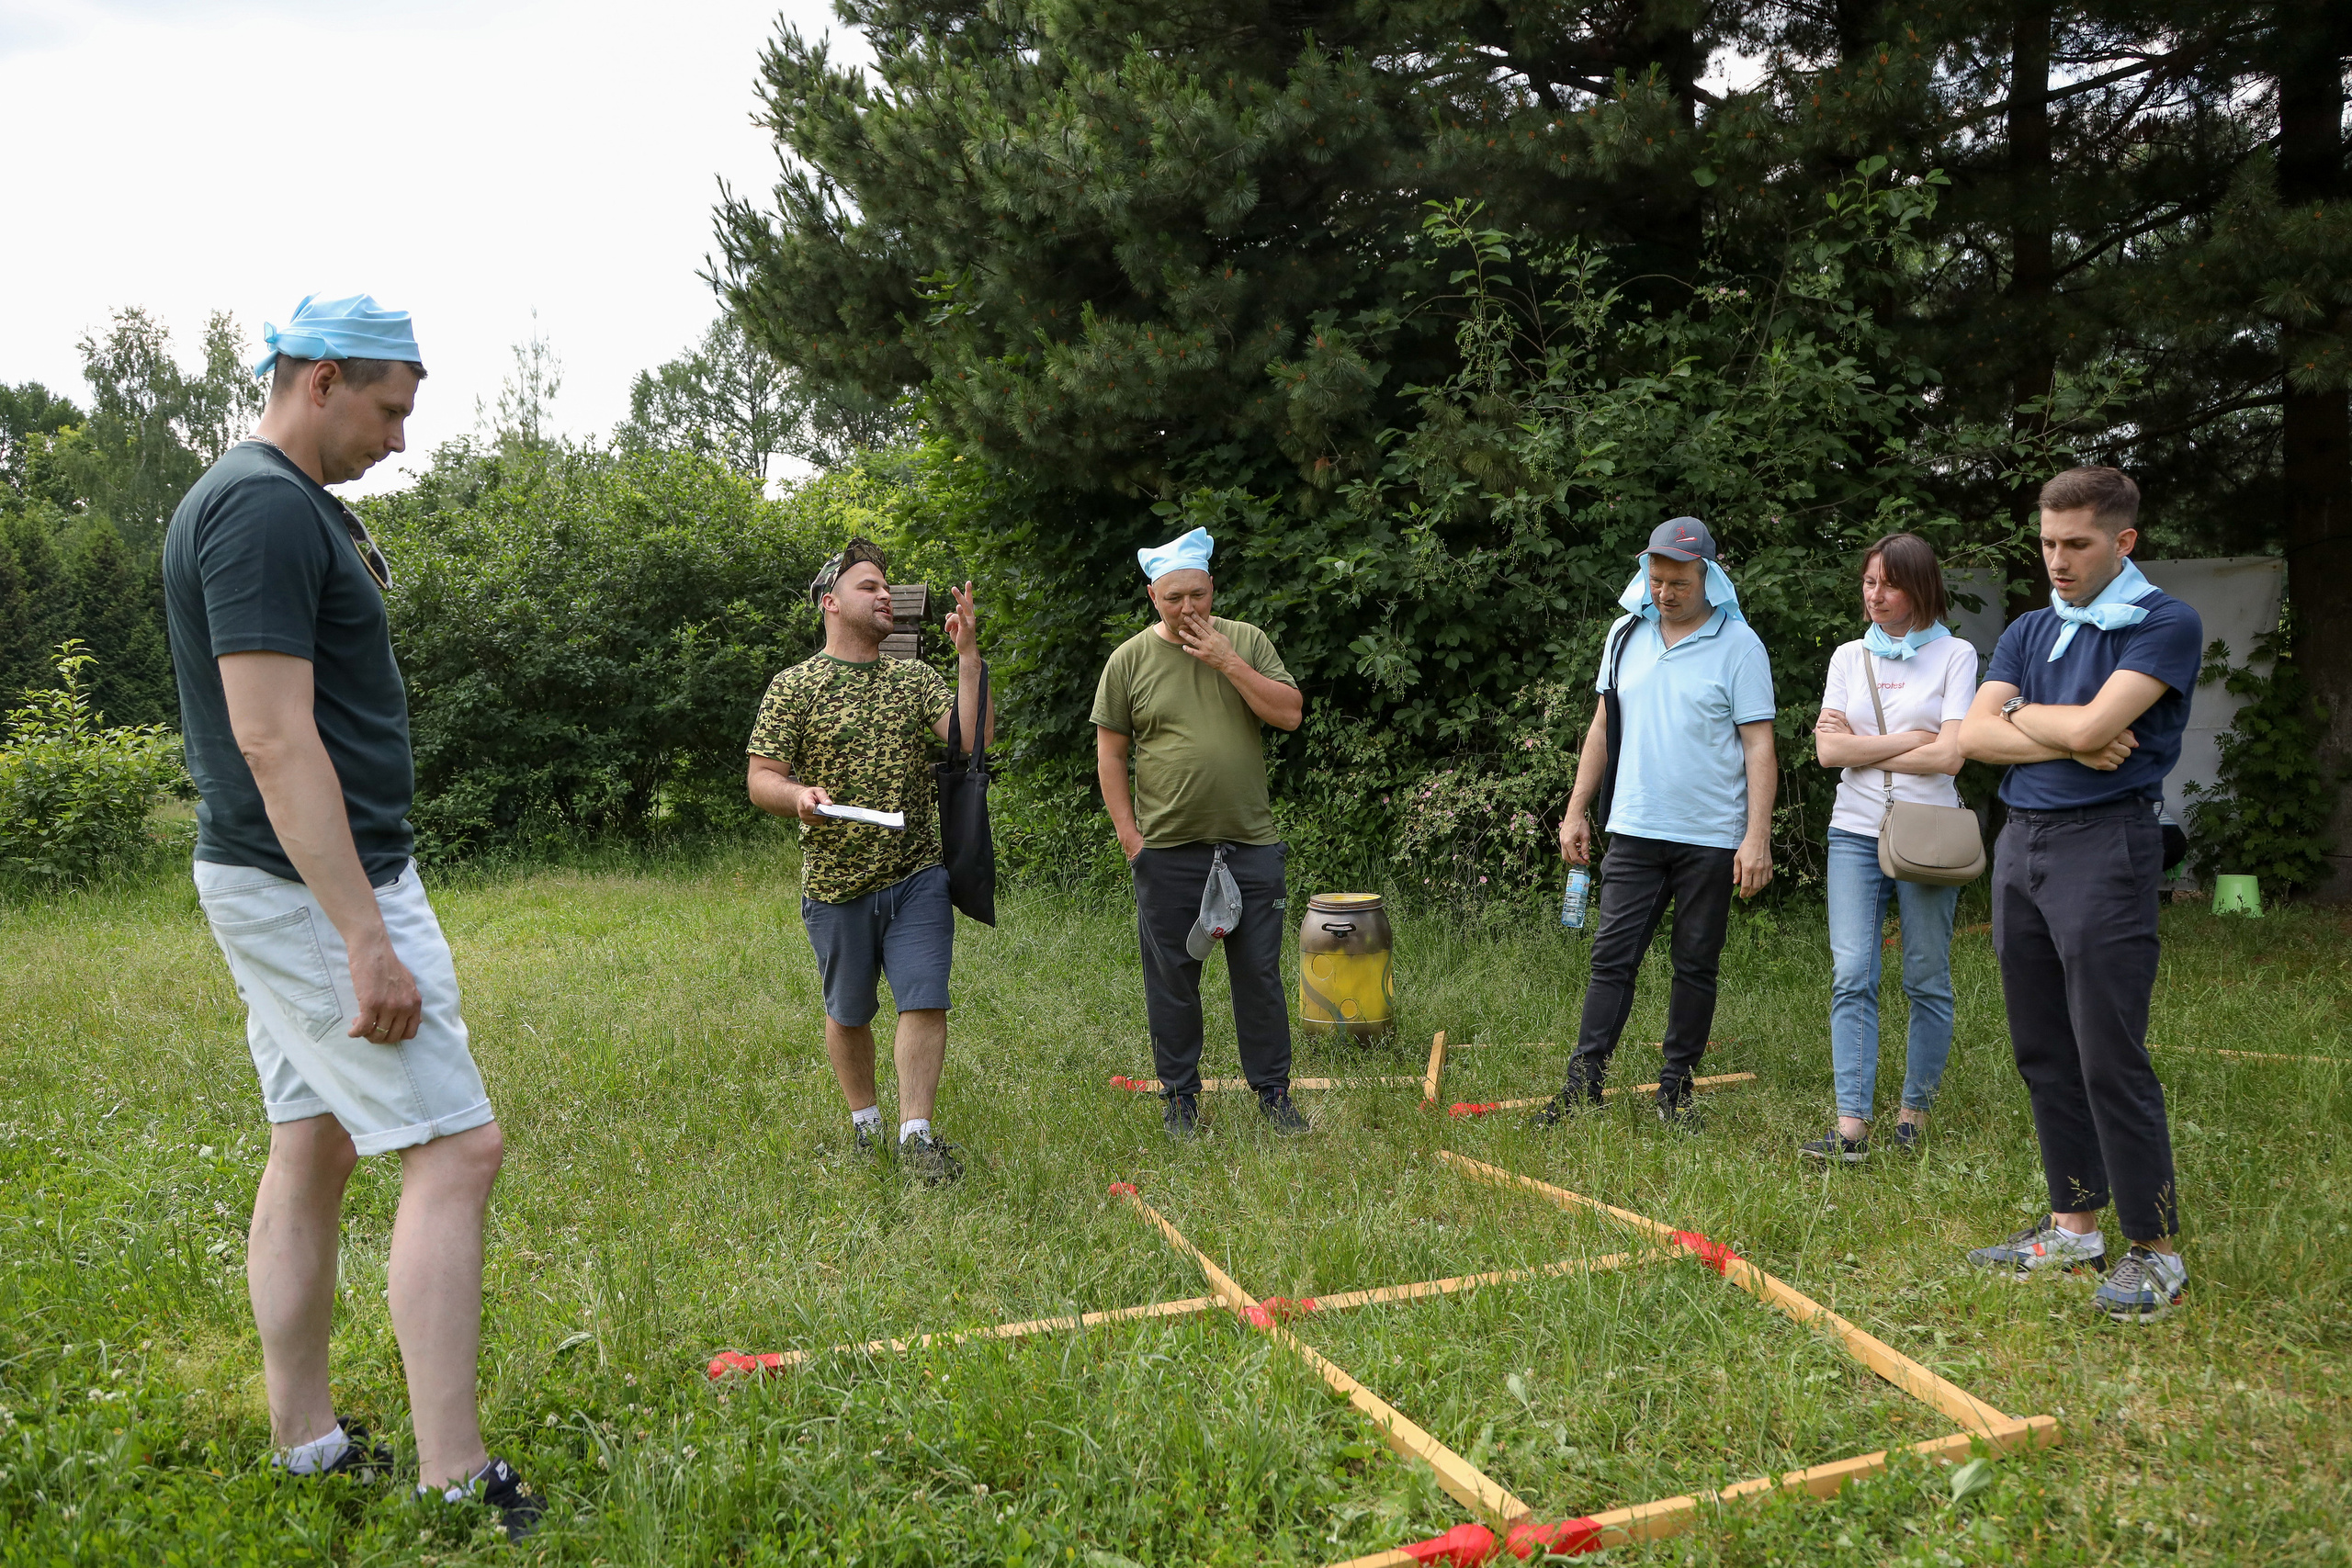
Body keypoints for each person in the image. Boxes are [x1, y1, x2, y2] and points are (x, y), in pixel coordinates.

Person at [162, 295, 539, 1538]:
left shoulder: (280, 503)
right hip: (320, 881)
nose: (400, 435)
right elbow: (270, 732)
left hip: (299, 876)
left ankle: (307, 1437)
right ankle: (452, 1471)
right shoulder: (262, 504)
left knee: (313, 1140)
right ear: (319, 379)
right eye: (388, 406)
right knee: (456, 1148)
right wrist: (363, 932)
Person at [1958, 467, 2200, 1323]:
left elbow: (2103, 729)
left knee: (2108, 1052)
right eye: (2047, 542)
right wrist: (2058, 725)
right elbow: (1972, 736)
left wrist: (2025, 719)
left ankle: (2156, 1251)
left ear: (2123, 541)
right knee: (2044, 1049)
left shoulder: (2164, 622)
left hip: (2108, 847)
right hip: (2020, 847)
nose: (2056, 560)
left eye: (2077, 544)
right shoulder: (2031, 626)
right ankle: (2073, 1226)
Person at [746, 539, 990, 1184]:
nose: (885, 594)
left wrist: (968, 659)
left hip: (917, 875)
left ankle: (917, 1137)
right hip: (835, 883)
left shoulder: (913, 678)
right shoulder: (793, 687)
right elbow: (761, 777)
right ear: (831, 603)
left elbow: (973, 741)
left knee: (924, 998)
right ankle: (866, 1124)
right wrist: (799, 795)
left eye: (887, 586)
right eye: (868, 586)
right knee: (849, 1011)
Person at [1542, 516, 1778, 1130]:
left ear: (1709, 573)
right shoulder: (1625, 636)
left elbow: (1759, 746)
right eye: (1657, 578)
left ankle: (1676, 1090)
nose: (1666, 591)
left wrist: (1757, 837)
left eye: (1679, 580)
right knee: (1610, 959)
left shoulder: (1740, 645)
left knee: (1695, 964)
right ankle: (1582, 1085)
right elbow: (1601, 726)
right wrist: (1575, 809)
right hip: (1635, 828)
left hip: (1710, 836)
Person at [1092, 526, 1307, 1139]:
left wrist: (1227, 660)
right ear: (1153, 596)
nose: (1189, 608)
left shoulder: (1247, 640)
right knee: (1173, 981)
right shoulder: (1129, 660)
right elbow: (1111, 755)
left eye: (1198, 594)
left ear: (1212, 587)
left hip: (1251, 843)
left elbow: (1288, 714)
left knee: (1259, 977)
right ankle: (1181, 1100)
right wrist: (1132, 840)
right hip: (1167, 852)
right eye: (1174, 597)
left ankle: (1273, 1096)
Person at [1803, 533, 1979, 1164]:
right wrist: (1910, 738)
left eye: (1890, 583)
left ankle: (1913, 1114)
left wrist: (1866, 743)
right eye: (1869, 582)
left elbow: (1952, 753)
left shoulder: (1955, 654)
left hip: (1929, 828)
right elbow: (1829, 752)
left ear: (1921, 586)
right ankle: (1851, 1125)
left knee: (1926, 973)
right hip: (1853, 828)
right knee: (1853, 971)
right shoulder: (1850, 656)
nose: (1875, 596)